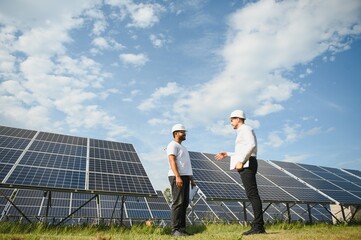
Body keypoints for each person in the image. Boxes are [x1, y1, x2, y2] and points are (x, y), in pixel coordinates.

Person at [215, 110, 265, 235]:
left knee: (253, 195)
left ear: (238, 119)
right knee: (251, 194)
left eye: (232, 120)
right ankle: (258, 226)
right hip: (247, 163)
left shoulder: (245, 129)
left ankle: (258, 227)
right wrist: (228, 154)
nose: (231, 123)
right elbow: (243, 149)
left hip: (247, 163)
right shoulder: (242, 131)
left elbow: (251, 145)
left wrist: (241, 161)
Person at [167, 123, 196, 237]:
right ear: (176, 133)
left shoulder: (183, 147)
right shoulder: (172, 145)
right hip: (176, 176)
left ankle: (182, 230)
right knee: (178, 203)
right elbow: (172, 161)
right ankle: (175, 230)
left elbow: (186, 165)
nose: (184, 134)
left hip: (185, 177)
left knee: (184, 203)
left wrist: (191, 179)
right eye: (183, 132)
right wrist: (178, 176)